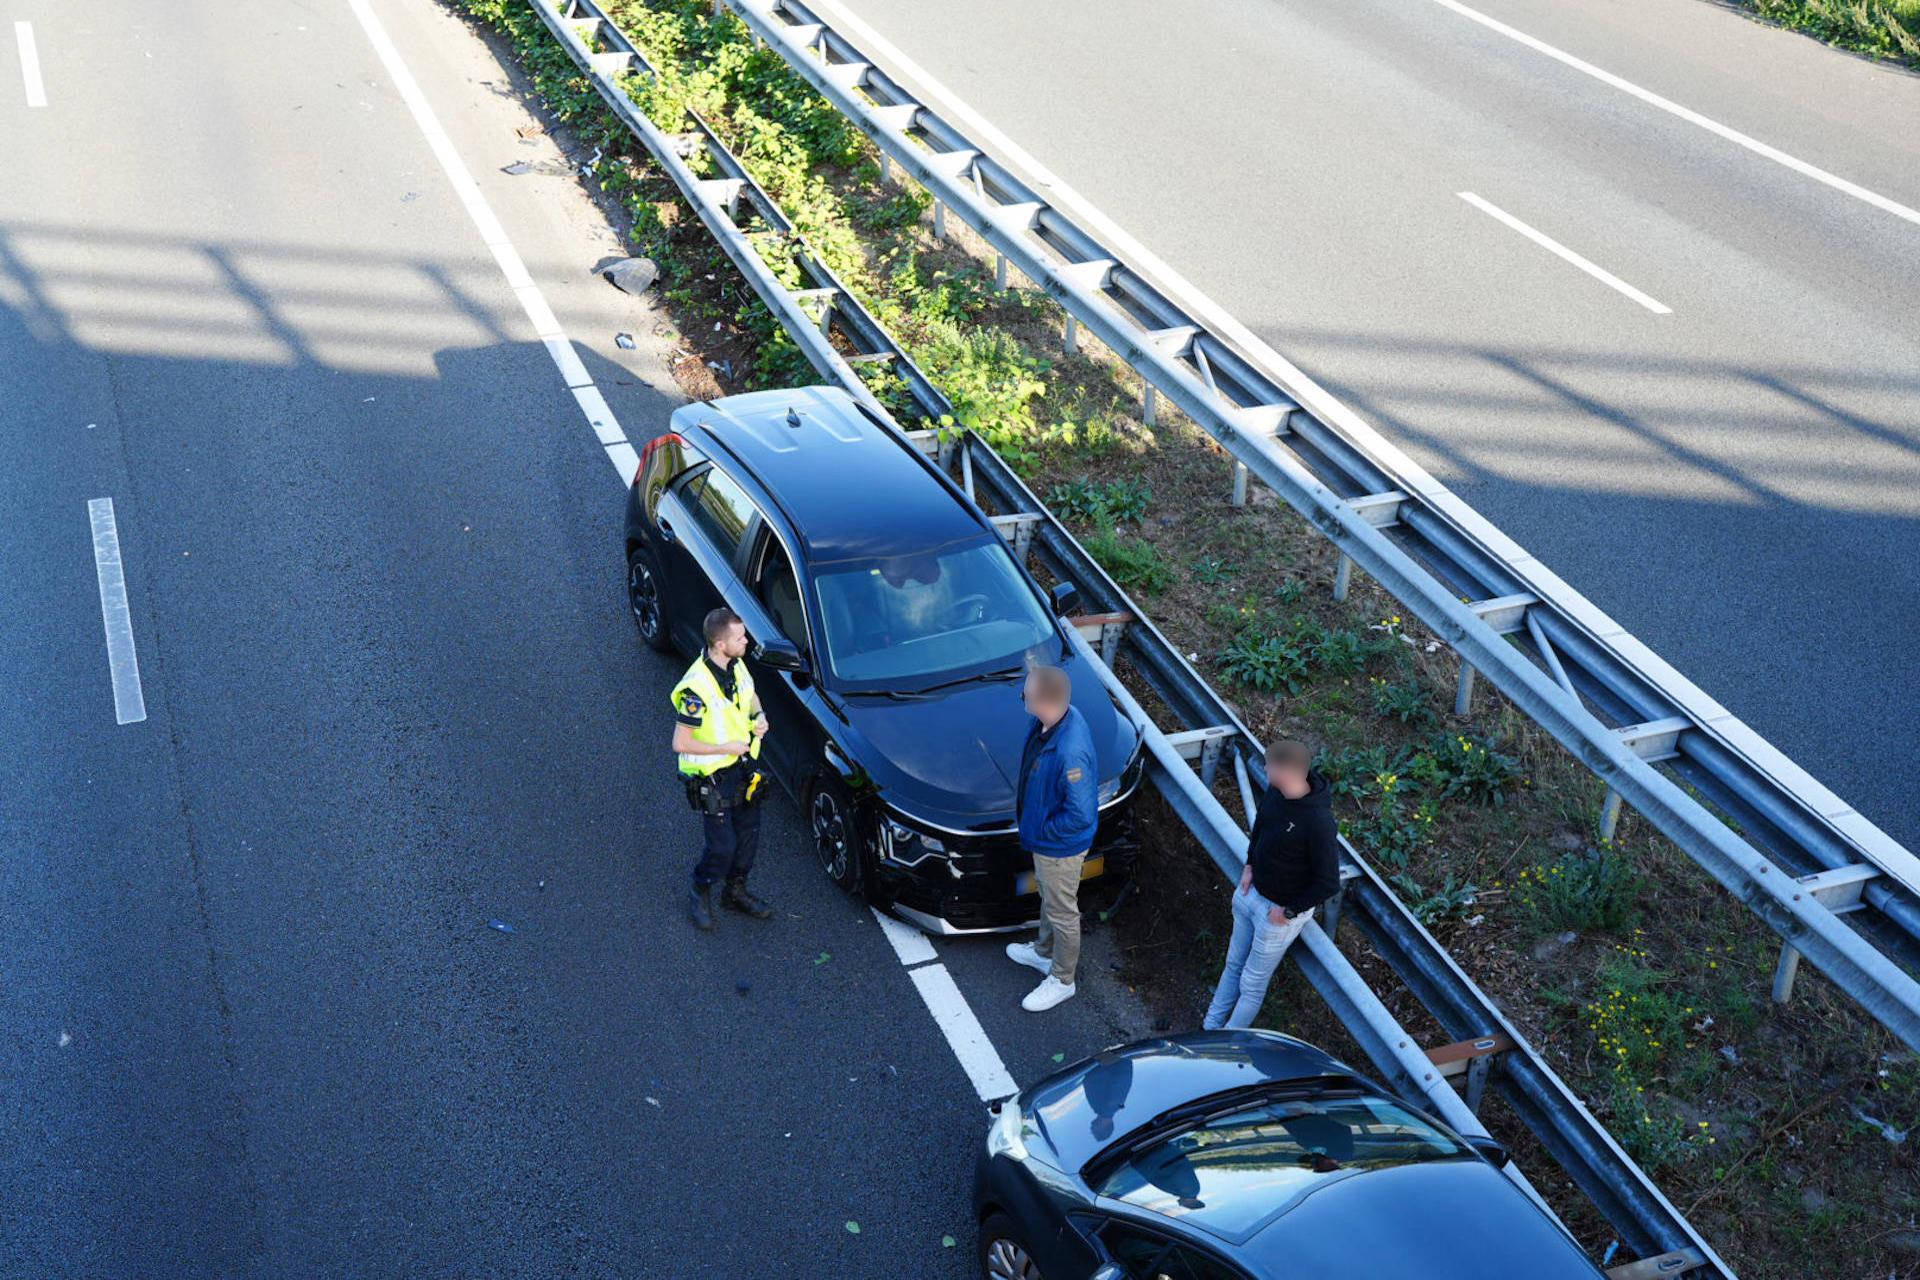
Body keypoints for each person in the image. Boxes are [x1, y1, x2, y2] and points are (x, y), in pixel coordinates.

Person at [1203, 740, 1340, 1030]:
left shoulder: (1318, 821)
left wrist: (1288, 912)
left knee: (1251, 983)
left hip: (1277, 915)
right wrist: (1250, 864)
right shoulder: (1276, 793)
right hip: (1250, 893)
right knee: (1233, 966)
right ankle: (1209, 1029)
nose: (1264, 768)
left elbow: (1328, 882)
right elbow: (1261, 827)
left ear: (1287, 772)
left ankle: (1227, 1045)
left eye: (1270, 765)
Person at [1004, 663, 1100, 1012]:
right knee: (1049, 896)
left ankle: (1062, 979)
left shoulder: (1068, 751)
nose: (1022, 699)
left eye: (1024, 695)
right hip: (1046, 842)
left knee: (1062, 911)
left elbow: (1081, 815)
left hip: (1058, 847)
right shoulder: (1053, 722)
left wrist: (1041, 832)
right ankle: (1045, 953)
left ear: (1043, 701)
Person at [672, 608, 773, 930]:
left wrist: (759, 716)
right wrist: (725, 748)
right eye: (739, 637)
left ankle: (735, 892)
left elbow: (751, 693)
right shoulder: (695, 689)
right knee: (722, 847)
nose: (747, 641)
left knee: (748, 837)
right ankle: (700, 888)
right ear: (719, 643)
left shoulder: (737, 664)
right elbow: (681, 743)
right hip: (713, 777)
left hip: (742, 768)